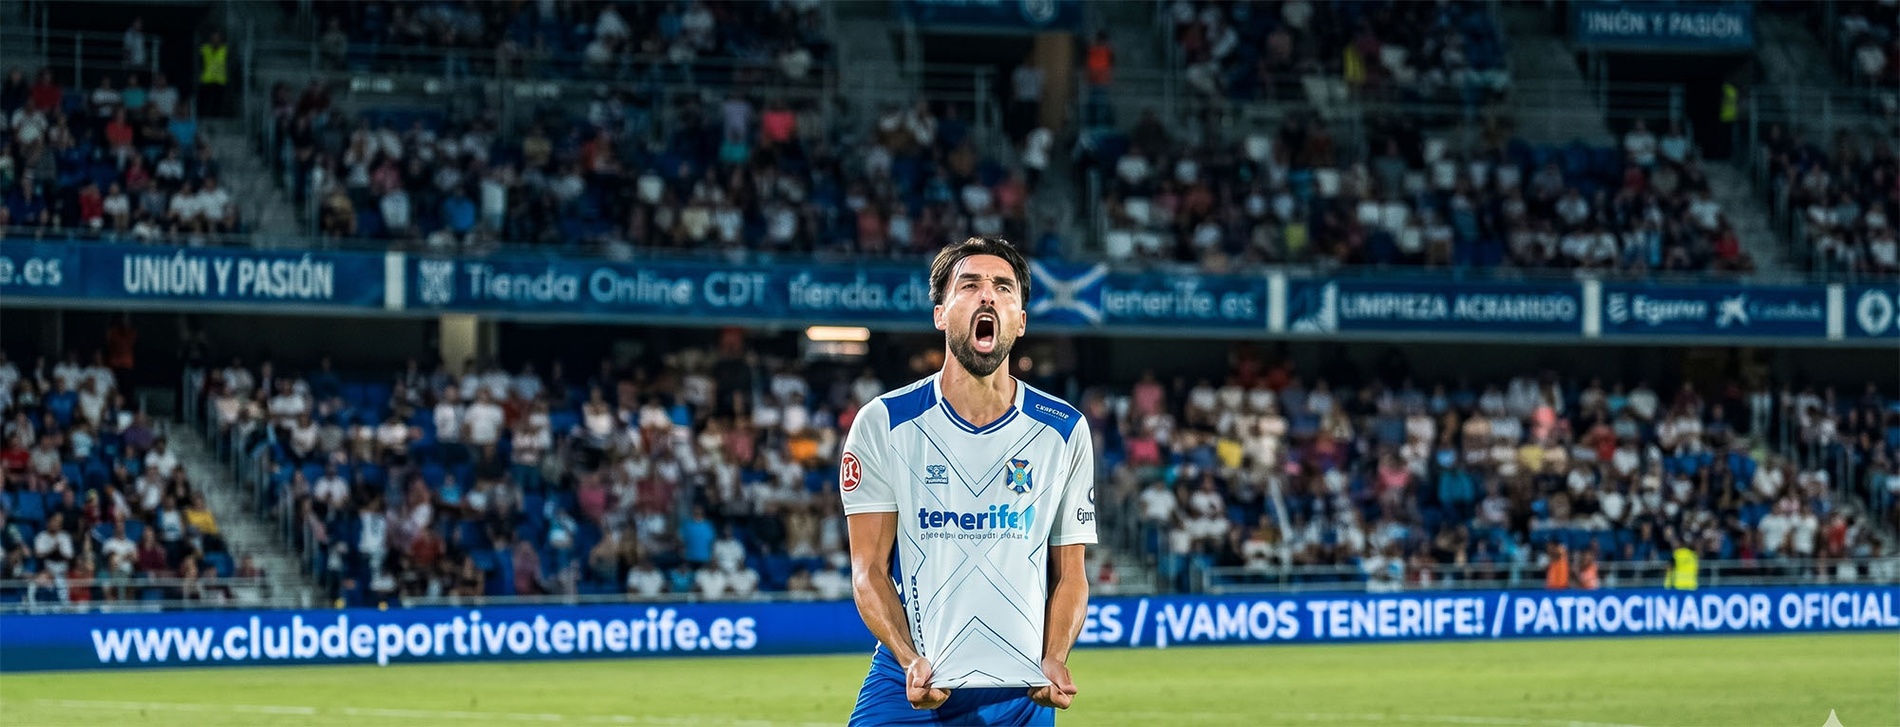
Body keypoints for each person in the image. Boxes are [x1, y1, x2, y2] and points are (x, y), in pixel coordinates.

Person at [842, 237, 1096, 726]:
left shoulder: (1064, 429)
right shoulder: (883, 423)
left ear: (1020, 320)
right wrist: (907, 657)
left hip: (1024, 687)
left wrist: (1056, 655)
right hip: (914, 676)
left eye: (1003, 287)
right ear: (940, 313)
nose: (987, 296)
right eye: (970, 284)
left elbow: (1070, 575)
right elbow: (867, 569)